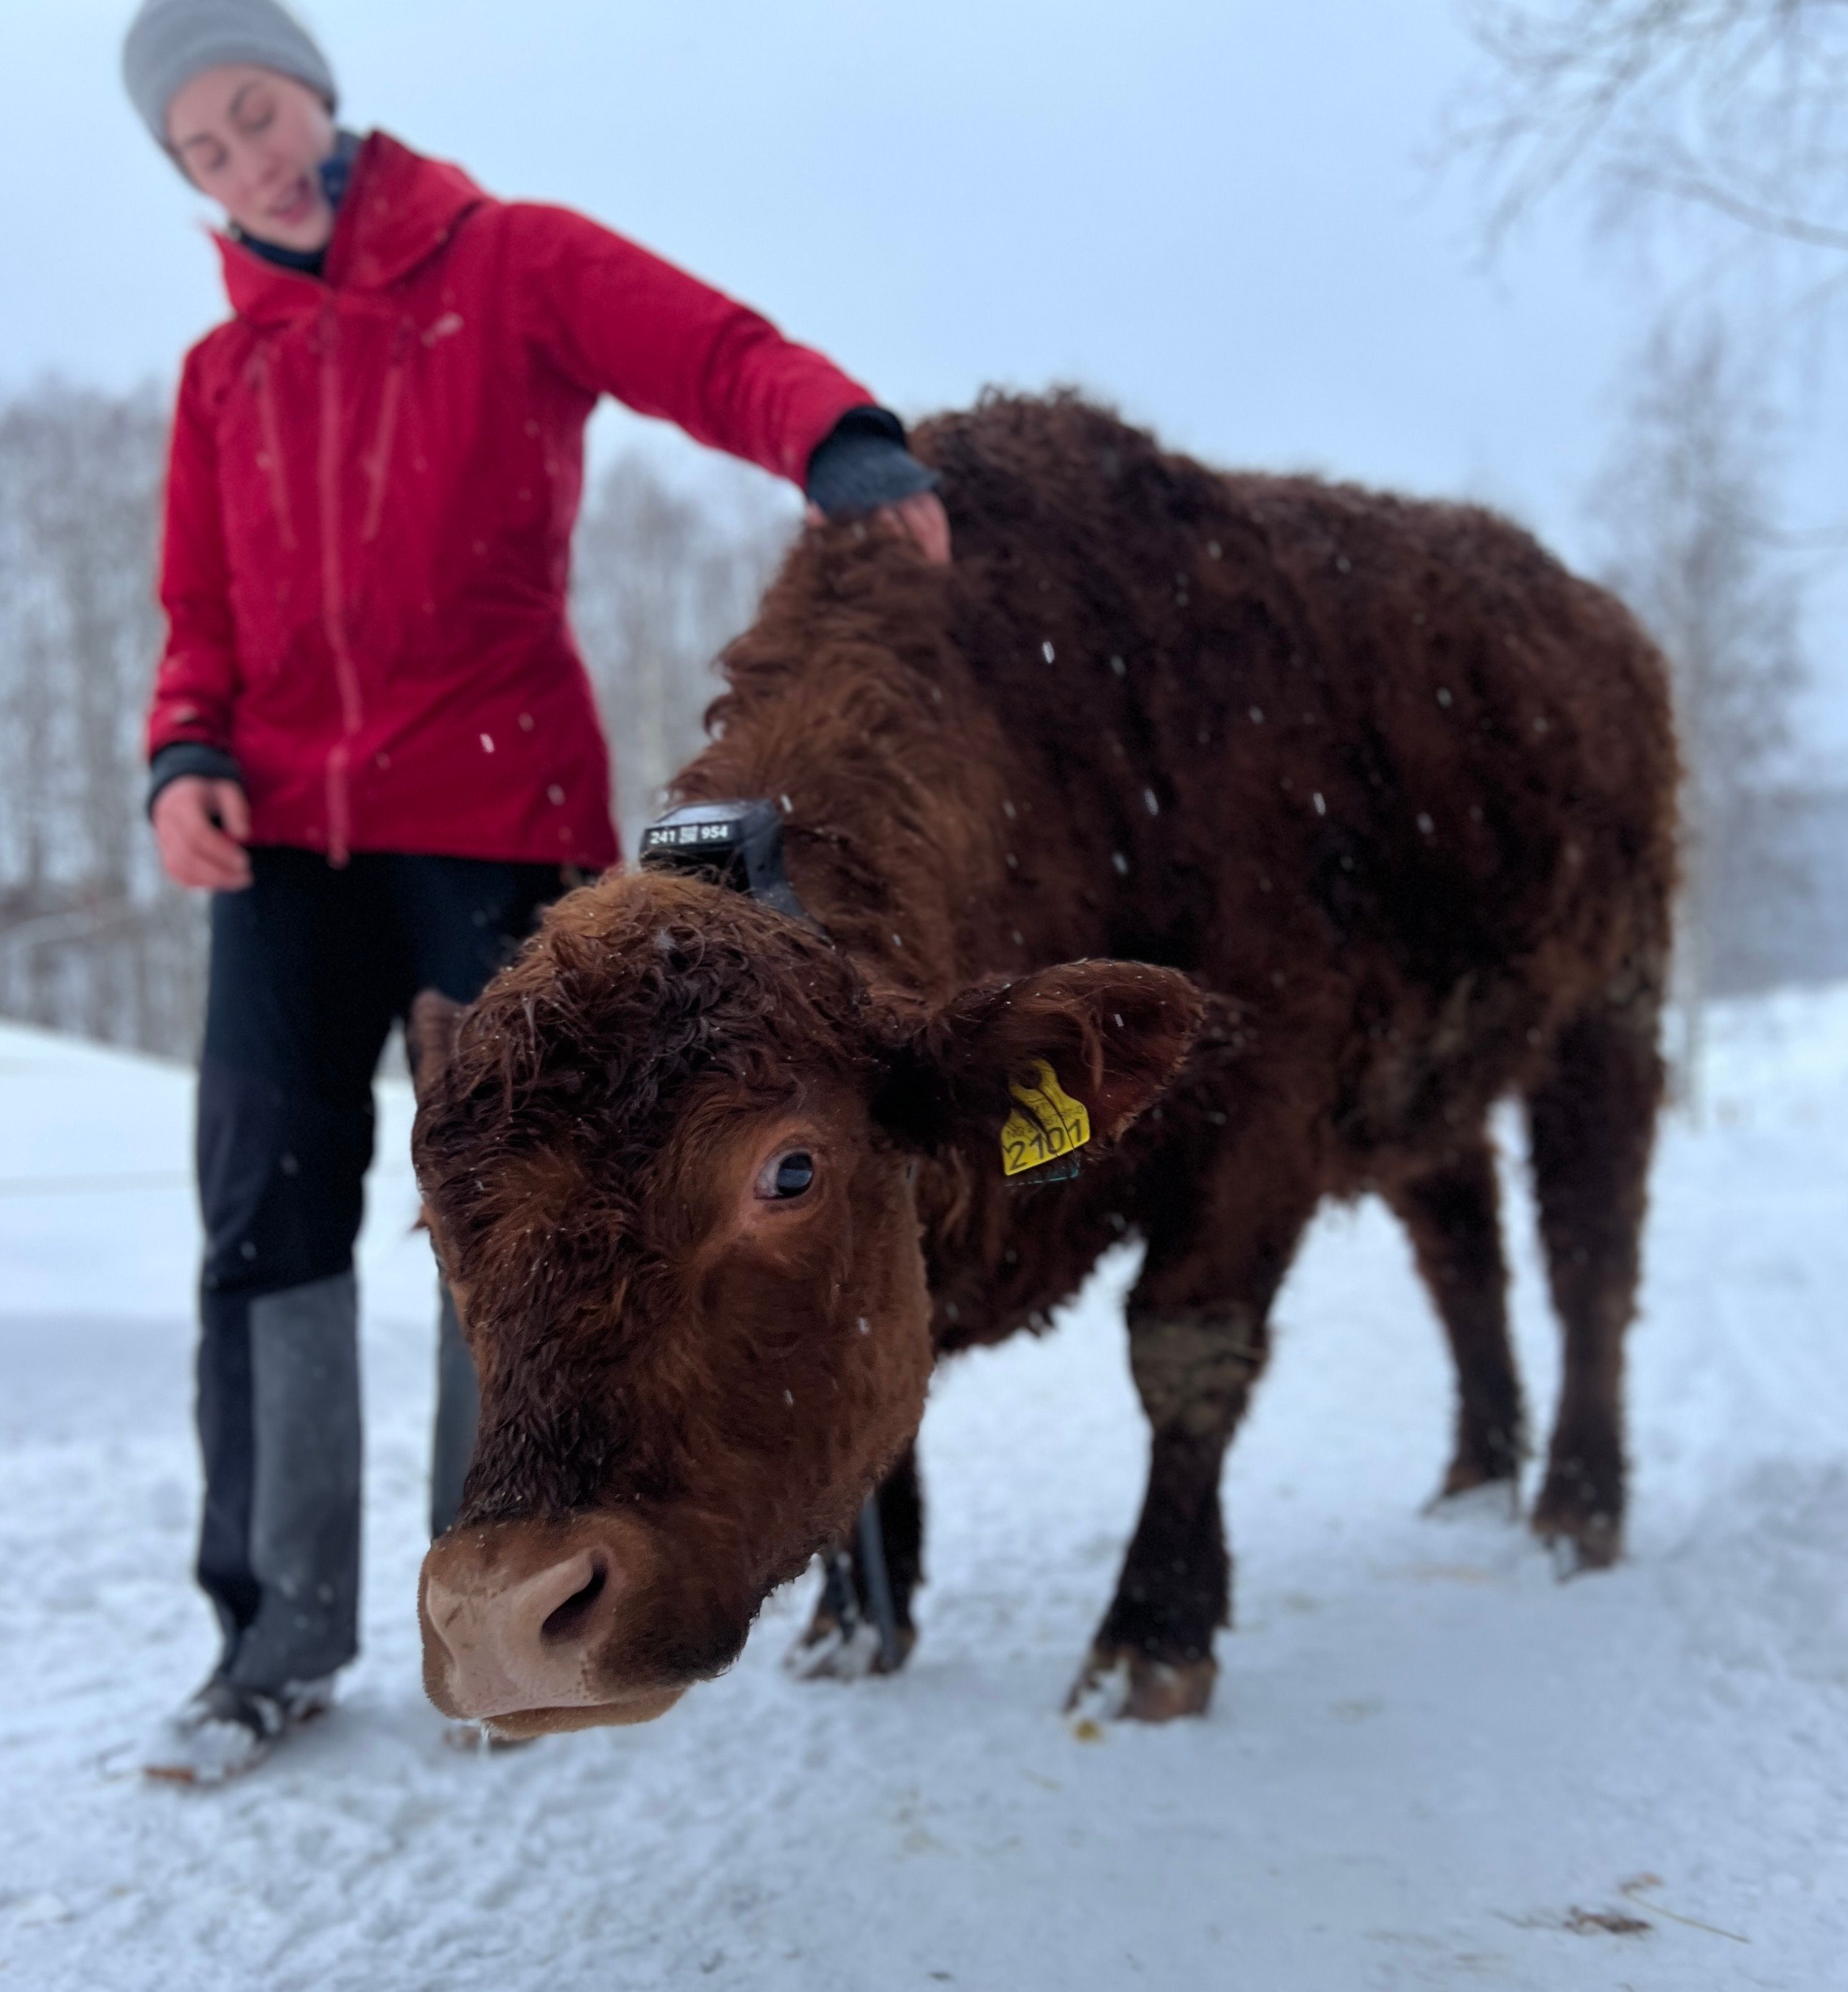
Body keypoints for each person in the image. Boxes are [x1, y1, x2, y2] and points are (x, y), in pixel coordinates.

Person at [121, 0, 950, 1783]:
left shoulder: (497, 263)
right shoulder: (220, 377)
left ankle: (515, 1605)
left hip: (491, 822)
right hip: (275, 850)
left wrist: (838, 438)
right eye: (202, 148)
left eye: (255, 111)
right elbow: (198, 620)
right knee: (261, 1221)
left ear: (315, 96)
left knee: (530, 1213)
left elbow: (705, 348)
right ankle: (271, 1638)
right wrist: (183, 754)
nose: (244, 158)